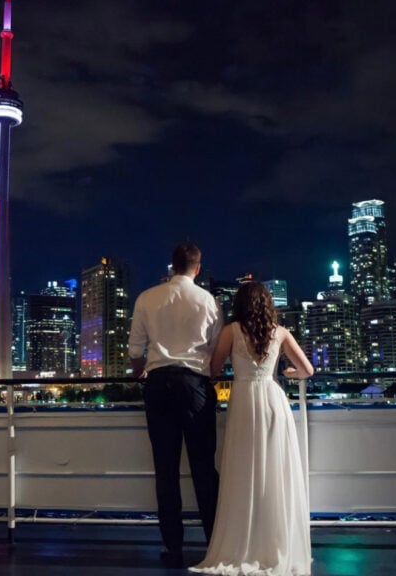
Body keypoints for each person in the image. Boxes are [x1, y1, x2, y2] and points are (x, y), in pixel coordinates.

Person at [190, 281, 314, 576]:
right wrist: (288, 372)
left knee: (243, 471)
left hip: (244, 401)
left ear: (241, 305)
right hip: (272, 400)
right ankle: (274, 544)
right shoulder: (281, 332)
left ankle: (243, 541)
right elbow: (308, 370)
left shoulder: (231, 331)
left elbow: (214, 368)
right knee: (274, 471)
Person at [128, 242, 223, 568]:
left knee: (165, 470)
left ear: (172, 266)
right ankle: (215, 543)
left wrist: (140, 368)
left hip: (158, 384)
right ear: (197, 268)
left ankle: (173, 548)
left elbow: (135, 351)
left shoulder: (146, 298)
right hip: (195, 385)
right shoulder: (207, 300)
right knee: (203, 469)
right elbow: (214, 353)